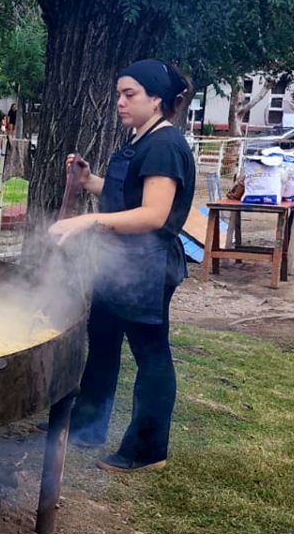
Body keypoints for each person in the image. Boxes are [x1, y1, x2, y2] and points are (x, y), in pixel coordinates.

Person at [48, 59, 195, 474]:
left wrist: (89, 219)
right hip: (118, 265)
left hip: (146, 269)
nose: (120, 102)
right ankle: (88, 429)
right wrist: (89, 181)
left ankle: (147, 450)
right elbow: (126, 195)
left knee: (151, 355)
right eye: (119, 94)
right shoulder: (141, 138)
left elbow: (152, 214)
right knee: (104, 344)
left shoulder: (165, 145)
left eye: (130, 94)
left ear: (157, 100)